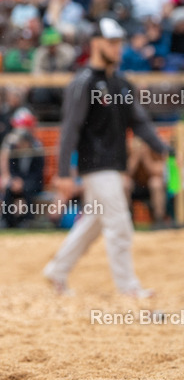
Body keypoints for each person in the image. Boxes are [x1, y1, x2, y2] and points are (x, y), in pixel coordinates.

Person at [43, 19, 169, 298]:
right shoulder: (84, 82)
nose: (118, 48)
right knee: (120, 223)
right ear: (96, 43)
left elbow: (139, 121)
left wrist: (162, 146)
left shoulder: (122, 84)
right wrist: (63, 172)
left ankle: (57, 270)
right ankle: (129, 288)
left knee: (95, 221)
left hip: (114, 164)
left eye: (119, 43)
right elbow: (69, 129)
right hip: (97, 166)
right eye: (112, 43)